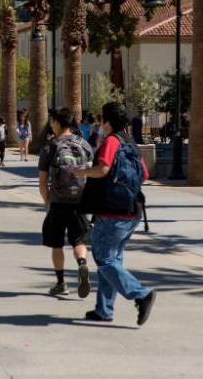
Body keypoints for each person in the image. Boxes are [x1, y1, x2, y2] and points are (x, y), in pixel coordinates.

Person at [71, 102, 155, 326]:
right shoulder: (130, 142)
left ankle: (141, 293)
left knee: (104, 258)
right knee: (113, 260)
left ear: (107, 122)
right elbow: (144, 174)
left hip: (111, 212)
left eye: (101, 121)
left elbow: (103, 169)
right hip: (132, 211)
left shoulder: (111, 141)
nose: (100, 125)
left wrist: (82, 171)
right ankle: (104, 310)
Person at [38, 108, 94, 298]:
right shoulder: (84, 144)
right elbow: (91, 174)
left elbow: (43, 181)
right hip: (80, 201)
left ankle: (61, 283)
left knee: (57, 244)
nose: (51, 125)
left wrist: (48, 202)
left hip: (58, 202)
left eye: (52, 122)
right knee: (78, 240)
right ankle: (82, 265)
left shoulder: (50, 146)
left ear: (58, 123)